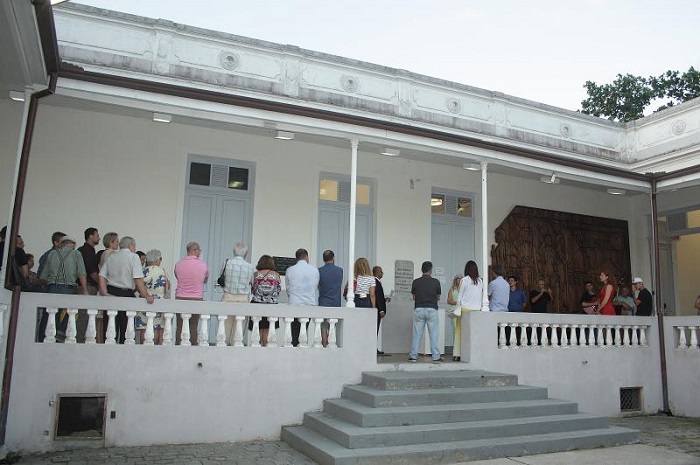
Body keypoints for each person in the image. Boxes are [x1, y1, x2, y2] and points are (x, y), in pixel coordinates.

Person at [99, 236, 154, 343]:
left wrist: (104, 292)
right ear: (130, 245)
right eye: (134, 245)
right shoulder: (133, 257)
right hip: (126, 294)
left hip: (111, 293)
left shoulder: (112, 256)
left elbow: (102, 275)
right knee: (126, 329)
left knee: (110, 328)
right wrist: (146, 295)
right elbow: (137, 278)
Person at [39, 236, 88, 341]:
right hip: (68, 288)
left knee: (50, 314)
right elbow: (81, 273)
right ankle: (60, 332)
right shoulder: (76, 254)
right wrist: (84, 290)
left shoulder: (52, 253)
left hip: (52, 287)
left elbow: (44, 276)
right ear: (71, 243)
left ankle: (44, 338)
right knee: (72, 311)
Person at [173, 241, 208, 345]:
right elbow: (205, 279)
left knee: (180, 324)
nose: (200, 253)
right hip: (196, 298)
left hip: (180, 297)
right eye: (199, 251)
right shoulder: (203, 265)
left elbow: (177, 277)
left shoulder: (178, 264)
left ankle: (179, 344)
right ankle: (192, 345)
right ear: (195, 251)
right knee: (193, 325)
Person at [221, 242, 255, 344]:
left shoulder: (227, 263)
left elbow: (222, 278)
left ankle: (222, 349)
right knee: (238, 332)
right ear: (245, 253)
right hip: (242, 299)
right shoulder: (250, 267)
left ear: (234, 251)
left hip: (227, 297)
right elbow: (252, 283)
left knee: (225, 329)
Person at [409, 261, 442, 364]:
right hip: (432, 309)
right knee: (434, 334)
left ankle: (413, 356)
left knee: (417, 334)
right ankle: (436, 357)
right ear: (431, 270)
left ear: (421, 270)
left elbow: (414, 297)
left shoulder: (416, 282)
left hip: (419, 309)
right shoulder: (436, 282)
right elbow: (438, 297)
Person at [285, 248, 319, 346]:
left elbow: (288, 288)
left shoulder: (290, 270)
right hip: (309, 304)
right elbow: (315, 286)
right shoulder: (314, 270)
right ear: (307, 257)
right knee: (304, 330)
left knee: (294, 331)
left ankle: (295, 347)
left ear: (297, 258)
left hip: (294, 303)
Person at [136, 249, 170, 344]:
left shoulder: (142, 271)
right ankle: (154, 348)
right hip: (159, 302)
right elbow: (167, 288)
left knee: (144, 327)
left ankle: (144, 347)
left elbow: (138, 287)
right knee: (156, 326)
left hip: (144, 300)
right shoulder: (163, 272)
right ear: (156, 260)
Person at [249, 254, 281, 346]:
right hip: (271, 306)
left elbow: (252, 289)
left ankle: (257, 351)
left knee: (257, 329)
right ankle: (265, 351)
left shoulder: (255, 275)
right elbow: (278, 290)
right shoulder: (276, 275)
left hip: (256, 305)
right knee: (268, 331)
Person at [456, 261, 483, 362]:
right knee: (474, 332)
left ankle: (458, 354)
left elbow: (460, 296)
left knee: (459, 332)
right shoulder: (480, 281)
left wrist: (457, 307)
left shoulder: (464, 280)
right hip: (477, 310)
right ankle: (475, 353)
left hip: (465, 309)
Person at [318, 250, 343, 347]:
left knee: (323, 326)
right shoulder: (339, 270)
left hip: (324, 300)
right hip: (336, 301)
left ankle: (324, 344)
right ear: (333, 258)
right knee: (333, 326)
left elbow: (319, 286)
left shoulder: (319, 270)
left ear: (323, 259)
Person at [373, 265, 390, 355]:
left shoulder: (377, 282)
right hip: (377, 311)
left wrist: (385, 299)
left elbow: (380, 298)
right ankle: (373, 349)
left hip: (378, 310)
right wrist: (381, 310)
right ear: (376, 272)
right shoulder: (375, 282)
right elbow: (377, 298)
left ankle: (374, 349)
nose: (382, 273)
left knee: (376, 330)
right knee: (374, 330)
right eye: (381, 271)